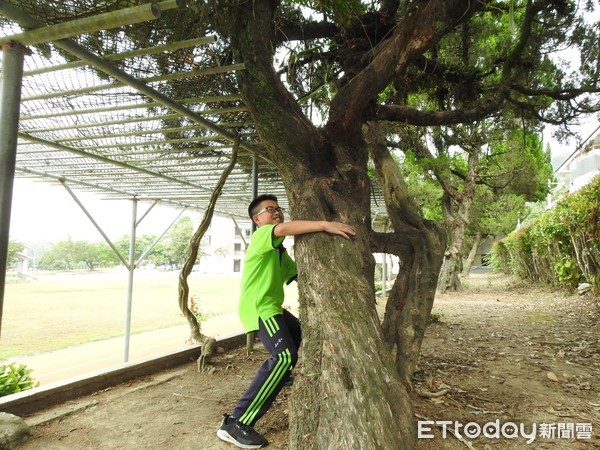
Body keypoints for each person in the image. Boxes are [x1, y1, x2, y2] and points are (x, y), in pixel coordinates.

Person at [217, 194, 356, 449]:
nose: (277, 212)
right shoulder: (261, 237)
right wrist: (325, 225)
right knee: (284, 357)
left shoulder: (279, 253)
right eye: (270, 210)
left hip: (275, 309)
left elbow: (302, 275)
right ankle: (236, 422)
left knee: (307, 335)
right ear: (257, 219)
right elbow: (283, 229)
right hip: (260, 309)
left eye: (279, 208)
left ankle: (281, 377)